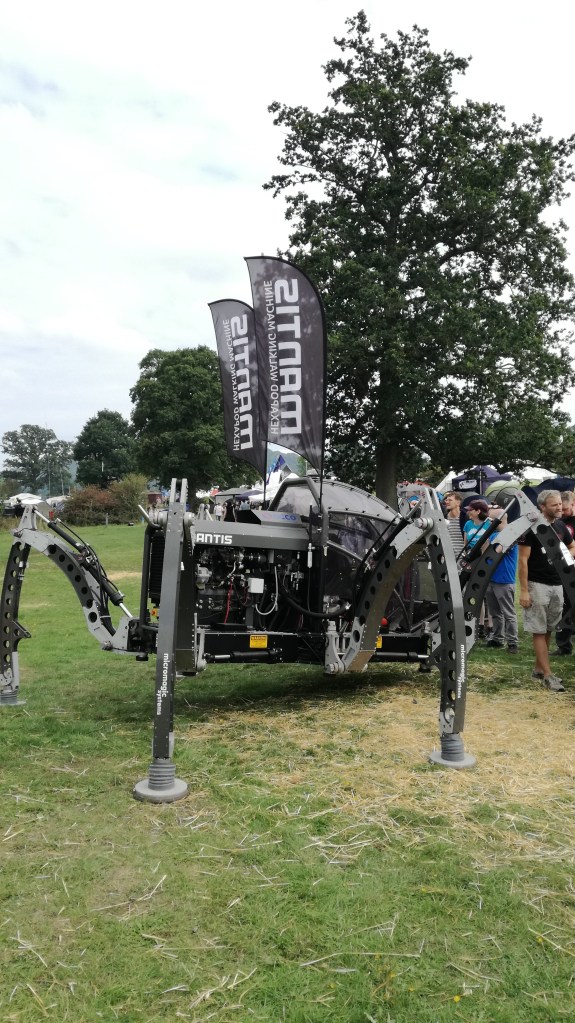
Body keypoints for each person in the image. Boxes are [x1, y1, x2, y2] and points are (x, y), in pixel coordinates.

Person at [518, 489, 575, 692]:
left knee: (549, 628)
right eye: (554, 505)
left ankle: (538, 669)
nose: (559, 508)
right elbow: (522, 561)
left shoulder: (560, 526)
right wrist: (524, 591)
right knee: (539, 630)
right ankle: (548, 675)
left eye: (560, 504)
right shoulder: (531, 528)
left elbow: (572, 545)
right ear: (542, 507)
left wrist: (565, 558)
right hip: (537, 584)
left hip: (557, 584)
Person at [485, 506, 519, 653]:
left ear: (497, 520)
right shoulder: (493, 535)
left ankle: (512, 642)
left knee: (508, 613)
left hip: (504, 580)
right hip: (491, 579)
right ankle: (498, 638)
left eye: (491, 520)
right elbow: (485, 553)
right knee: (495, 613)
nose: (488, 523)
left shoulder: (510, 534)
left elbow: (497, 551)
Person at [553, 491, 575, 655]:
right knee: (564, 605)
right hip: (563, 571)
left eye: (565, 509)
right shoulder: (558, 523)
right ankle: (564, 645)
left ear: (573, 504)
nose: (563, 512)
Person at [443, 491, 464, 559]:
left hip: (463, 557)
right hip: (448, 558)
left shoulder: (465, 517)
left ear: (458, 503)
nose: (447, 502)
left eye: (450, 500)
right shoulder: (443, 518)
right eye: (446, 500)